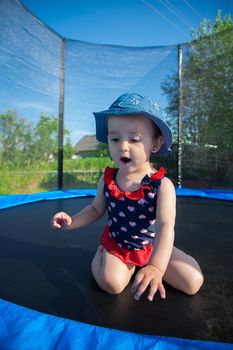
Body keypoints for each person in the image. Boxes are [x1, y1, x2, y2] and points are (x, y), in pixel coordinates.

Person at [51, 93, 204, 302]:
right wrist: (72, 221)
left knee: (193, 282)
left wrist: (156, 266)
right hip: (119, 245)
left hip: (151, 246)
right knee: (112, 284)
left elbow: (165, 226)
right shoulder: (108, 180)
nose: (123, 146)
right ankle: (102, 253)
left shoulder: (162, 186)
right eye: (115, 138)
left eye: (134, 139)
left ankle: (149, 264)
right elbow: (95, 209)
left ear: (156, 144)